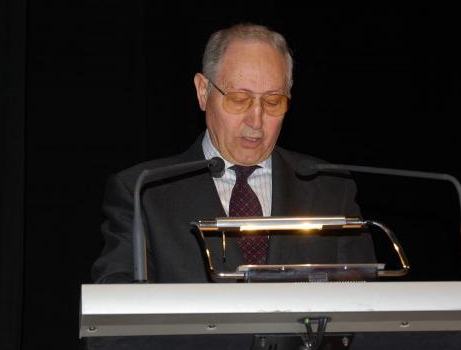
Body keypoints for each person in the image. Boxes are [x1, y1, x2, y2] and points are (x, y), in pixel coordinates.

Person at [91, 23, 374, 283]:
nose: (256, 120)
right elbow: (116, 303)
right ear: (203, 92)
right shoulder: (145, 192)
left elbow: (367, 304)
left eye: (273, 102)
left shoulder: (330, 189)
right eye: (239, 99)